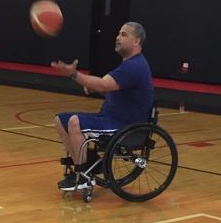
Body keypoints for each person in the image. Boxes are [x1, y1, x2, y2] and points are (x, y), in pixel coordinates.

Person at [50, 21, 154, 191]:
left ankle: (83, 175)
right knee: (61, 120)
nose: (118, 37)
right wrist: (94, 88)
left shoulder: (135, 66)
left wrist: (74, 74)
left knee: (74, 122)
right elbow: (111, 90)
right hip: (109, 118)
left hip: (125, 125)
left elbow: (104, 85)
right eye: (119, 33)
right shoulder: (128, 65)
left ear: (136, 41)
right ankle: (86, 164)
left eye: (124, 34)